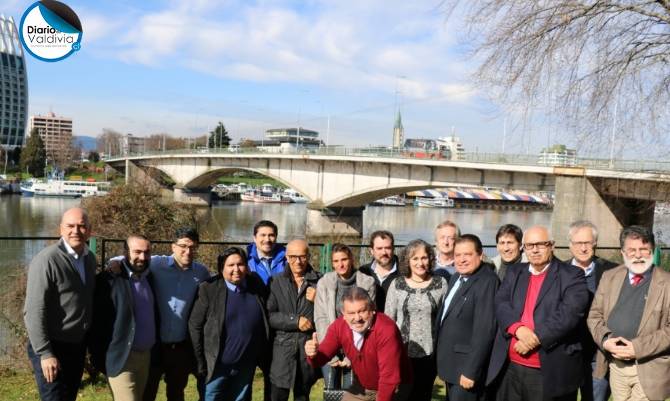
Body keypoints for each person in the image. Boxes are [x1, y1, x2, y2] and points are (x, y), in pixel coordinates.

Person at [486, 225, 589, 401]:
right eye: (529, 245)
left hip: (547, 369)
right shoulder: (515, 272)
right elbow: (501, 303)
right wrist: (518, 329)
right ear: (524, 248)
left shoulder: (572, 275)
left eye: (540, 244)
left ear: (552, 245)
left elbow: (569, 314)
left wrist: (534, 339)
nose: (534, 250)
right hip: (510, 368)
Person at [108, 227, 211, 401]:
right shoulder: (157, 264)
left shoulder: (201, 272)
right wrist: (113, 263)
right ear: (173, 247)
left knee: (177, 394)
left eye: (193, 247)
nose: (188, 251)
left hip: (180, 347)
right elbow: (129, 258)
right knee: (148, 393)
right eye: (183, 246)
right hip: (155, 346)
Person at [588, 226, 670, 401]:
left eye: (644, 249)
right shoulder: (609, 277)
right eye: (632, 250)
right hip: (615, 366)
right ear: (623, 252)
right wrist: (606, 341)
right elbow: (594, 316)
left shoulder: (667, 283)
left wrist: (637, 348)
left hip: (649, 369)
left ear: (653, 251)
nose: (638, 255)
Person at [24, 207, 97, 401]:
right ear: (61, 230)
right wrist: (45, 353)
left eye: (82, 226)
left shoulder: (89, 259)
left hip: (76, 346)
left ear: (89, 230)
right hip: (52, 346)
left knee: (68, 397)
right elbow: (33, 311)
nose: (76, 231)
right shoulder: (47, 260)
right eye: (70, 226)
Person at [189, 247, 269, 401]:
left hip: (245, 366)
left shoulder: (255, 284)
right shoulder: (209, 289)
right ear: (221, 268)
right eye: (230, 265)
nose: (236, 269)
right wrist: (200, 363)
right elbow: (195, 326)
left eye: (240, 264)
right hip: (216, 367)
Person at [305, 287, 412, 401]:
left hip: (395, 387)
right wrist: (313, 354)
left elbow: (389, 378)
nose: (357, 318)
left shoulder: (386, 329)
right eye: (351, 313)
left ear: (372, 309)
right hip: (362, 387)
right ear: (343, 314)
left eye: (362, 311)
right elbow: (321, 358)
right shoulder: (339, 327)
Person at [90, 235, 157, 401]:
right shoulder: (110, 279)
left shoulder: (150, 277)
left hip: (145, 357)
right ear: (125, 252)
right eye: (137, 252)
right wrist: (100, 358)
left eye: (147, 252)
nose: (142, 257)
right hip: (122, 358)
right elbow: (97, 323)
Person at [436, 234, 499, 401]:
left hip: (466, 369)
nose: (461, 260)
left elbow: (485, 330)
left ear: (480, 254)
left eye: (467, 254)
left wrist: (471, 371)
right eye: (457, 255)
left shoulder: (487, 281)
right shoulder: (457, 277)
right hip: (452, 364)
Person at [385, 239, 448, 401]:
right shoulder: (397, 284)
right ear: (407, 261)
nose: (420, 263)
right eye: (415, 258)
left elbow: (445, 319)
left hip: (429, 354)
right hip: (402, 353)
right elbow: (388, 321)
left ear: (430, 259)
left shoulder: (441, 284)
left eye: (424, 258)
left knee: (423, 395)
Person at [565, 220, 617, 401]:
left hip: (598, 353)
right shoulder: (557, 272)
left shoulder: (612, 271)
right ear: (570, 245)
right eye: (578, 243)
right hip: (567, 352)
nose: (583, 248)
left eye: (587, 242)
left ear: (595, 243)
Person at [314, 244, 376, 394]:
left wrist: (352, 354)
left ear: (351, 259)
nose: (340, 264)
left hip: (356, 346)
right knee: (330, 391)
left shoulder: (367, 282)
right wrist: (330, 352)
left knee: (353, 392)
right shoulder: (324, 282)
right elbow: (321, 318)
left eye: (344, 259)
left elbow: (368, 319)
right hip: (331, 343)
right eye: (336, 261)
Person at [267, 239, 321, 401]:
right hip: (282, 351)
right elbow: (270, 316)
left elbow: (332, 316)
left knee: (302, 396)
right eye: (293, 257)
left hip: (307, 350)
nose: (297, 261)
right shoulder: (275, 281)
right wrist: (295, 320)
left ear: (309, 257)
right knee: (277, 396)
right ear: (286, 257)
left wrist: (319, 300)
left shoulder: (320, 281)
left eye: (302, 257)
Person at [359, 230, 399, 312]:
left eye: (387, 248)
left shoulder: (404, 273)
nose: (384, 252)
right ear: (371, 251)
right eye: (379, 248)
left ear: (393, 249)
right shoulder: (363, 272)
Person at [247, 220, 286, 286]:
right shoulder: (246, 260)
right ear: (254, 238)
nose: (267, 239)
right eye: (263, 235)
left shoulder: (289, 258)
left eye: (271, 235)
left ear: (276, 237)